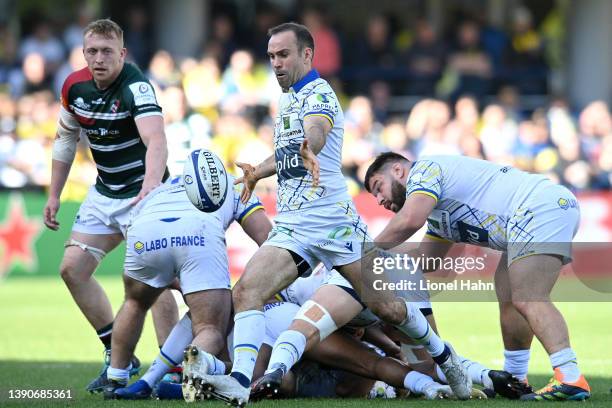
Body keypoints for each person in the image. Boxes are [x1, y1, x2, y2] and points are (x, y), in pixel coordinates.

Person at [186, 22, 472, 407]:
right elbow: (291, 152)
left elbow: (315, 132)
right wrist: (258, 171)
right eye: (270, 56)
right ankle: (240, 380)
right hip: (293, 226)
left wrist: (311, 146)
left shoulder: (318, 93)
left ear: (307, 54)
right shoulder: (287, 99)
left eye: (283, 54)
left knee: (387, 306)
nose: (275, 63)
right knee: (247, 291)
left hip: (334, 224)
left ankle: (444, 356)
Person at [364, 152, 591, 401]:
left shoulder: (425, 170)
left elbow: (409, 220)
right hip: (535, 210)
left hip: (538, 207)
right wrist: (381, 264)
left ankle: (570, 377)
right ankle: (515, 379)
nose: (378, 200)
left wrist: (364, 254)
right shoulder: (439, 213)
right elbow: (426, 259)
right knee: (509, 296)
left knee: (529, 297)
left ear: (398, 171)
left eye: (378, 187)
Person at [42, 18, 175, 392]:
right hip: (105, 192)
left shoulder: (136, 85)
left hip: (143, 192)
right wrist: (54, 194)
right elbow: (65, 139)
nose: (99, 59)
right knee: (72, 269)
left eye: (107, 51)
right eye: (92, 51)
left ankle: (170, 371)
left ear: (122, 53)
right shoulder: (74, 85)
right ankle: (119, 354)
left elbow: (157, 140)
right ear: (84, 53)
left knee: (157, 280)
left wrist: (150, 188)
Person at [101, 173, 270, 399]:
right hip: (197, 232)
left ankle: (116, 378)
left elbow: (135, 228)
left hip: (146, 231)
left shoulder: (160, 189)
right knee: (209, 327)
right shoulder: (233, 183)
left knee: (135, 302)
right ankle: (185, 380)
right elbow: (267, 240)